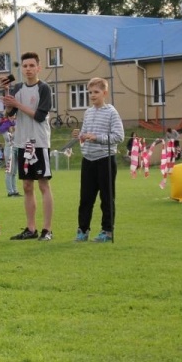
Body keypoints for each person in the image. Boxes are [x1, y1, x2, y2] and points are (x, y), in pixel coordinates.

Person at [2, 52, 54, 241]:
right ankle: (31, 229)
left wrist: (17, 104)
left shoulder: (44, 88)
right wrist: (8, 98)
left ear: (38, 68)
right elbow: (9, 114)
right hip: (22, 143)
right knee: (26, 185)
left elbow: (40, 116)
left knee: (43, 184)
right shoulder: (17, 88)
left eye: (32, 65)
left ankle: (47, 230)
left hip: (38, 142)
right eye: (25, 66)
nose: (28, 69)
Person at [72, 78, 124, 243]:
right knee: (85, 198)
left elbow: (119, 136)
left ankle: (107, 231)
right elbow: (85, 134)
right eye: (90, 92)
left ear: (104, 93)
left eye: (96, 92)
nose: (92, 95)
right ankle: (83, 230)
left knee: (107, 198)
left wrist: (97, 138)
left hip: (105, 160)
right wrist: (80, 135)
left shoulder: (111, 112)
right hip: (88, 160)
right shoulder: (88, 112)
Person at [0, 114, 19, 197]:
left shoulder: (16, 124)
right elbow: (7, 137)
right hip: (9, 149)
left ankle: (15, 190)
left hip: (16, 148)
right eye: (11, 115)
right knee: (9, 171)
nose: (13, 117)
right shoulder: (5, 125)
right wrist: (13, 131)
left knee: (14, 171)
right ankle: (10, 191)